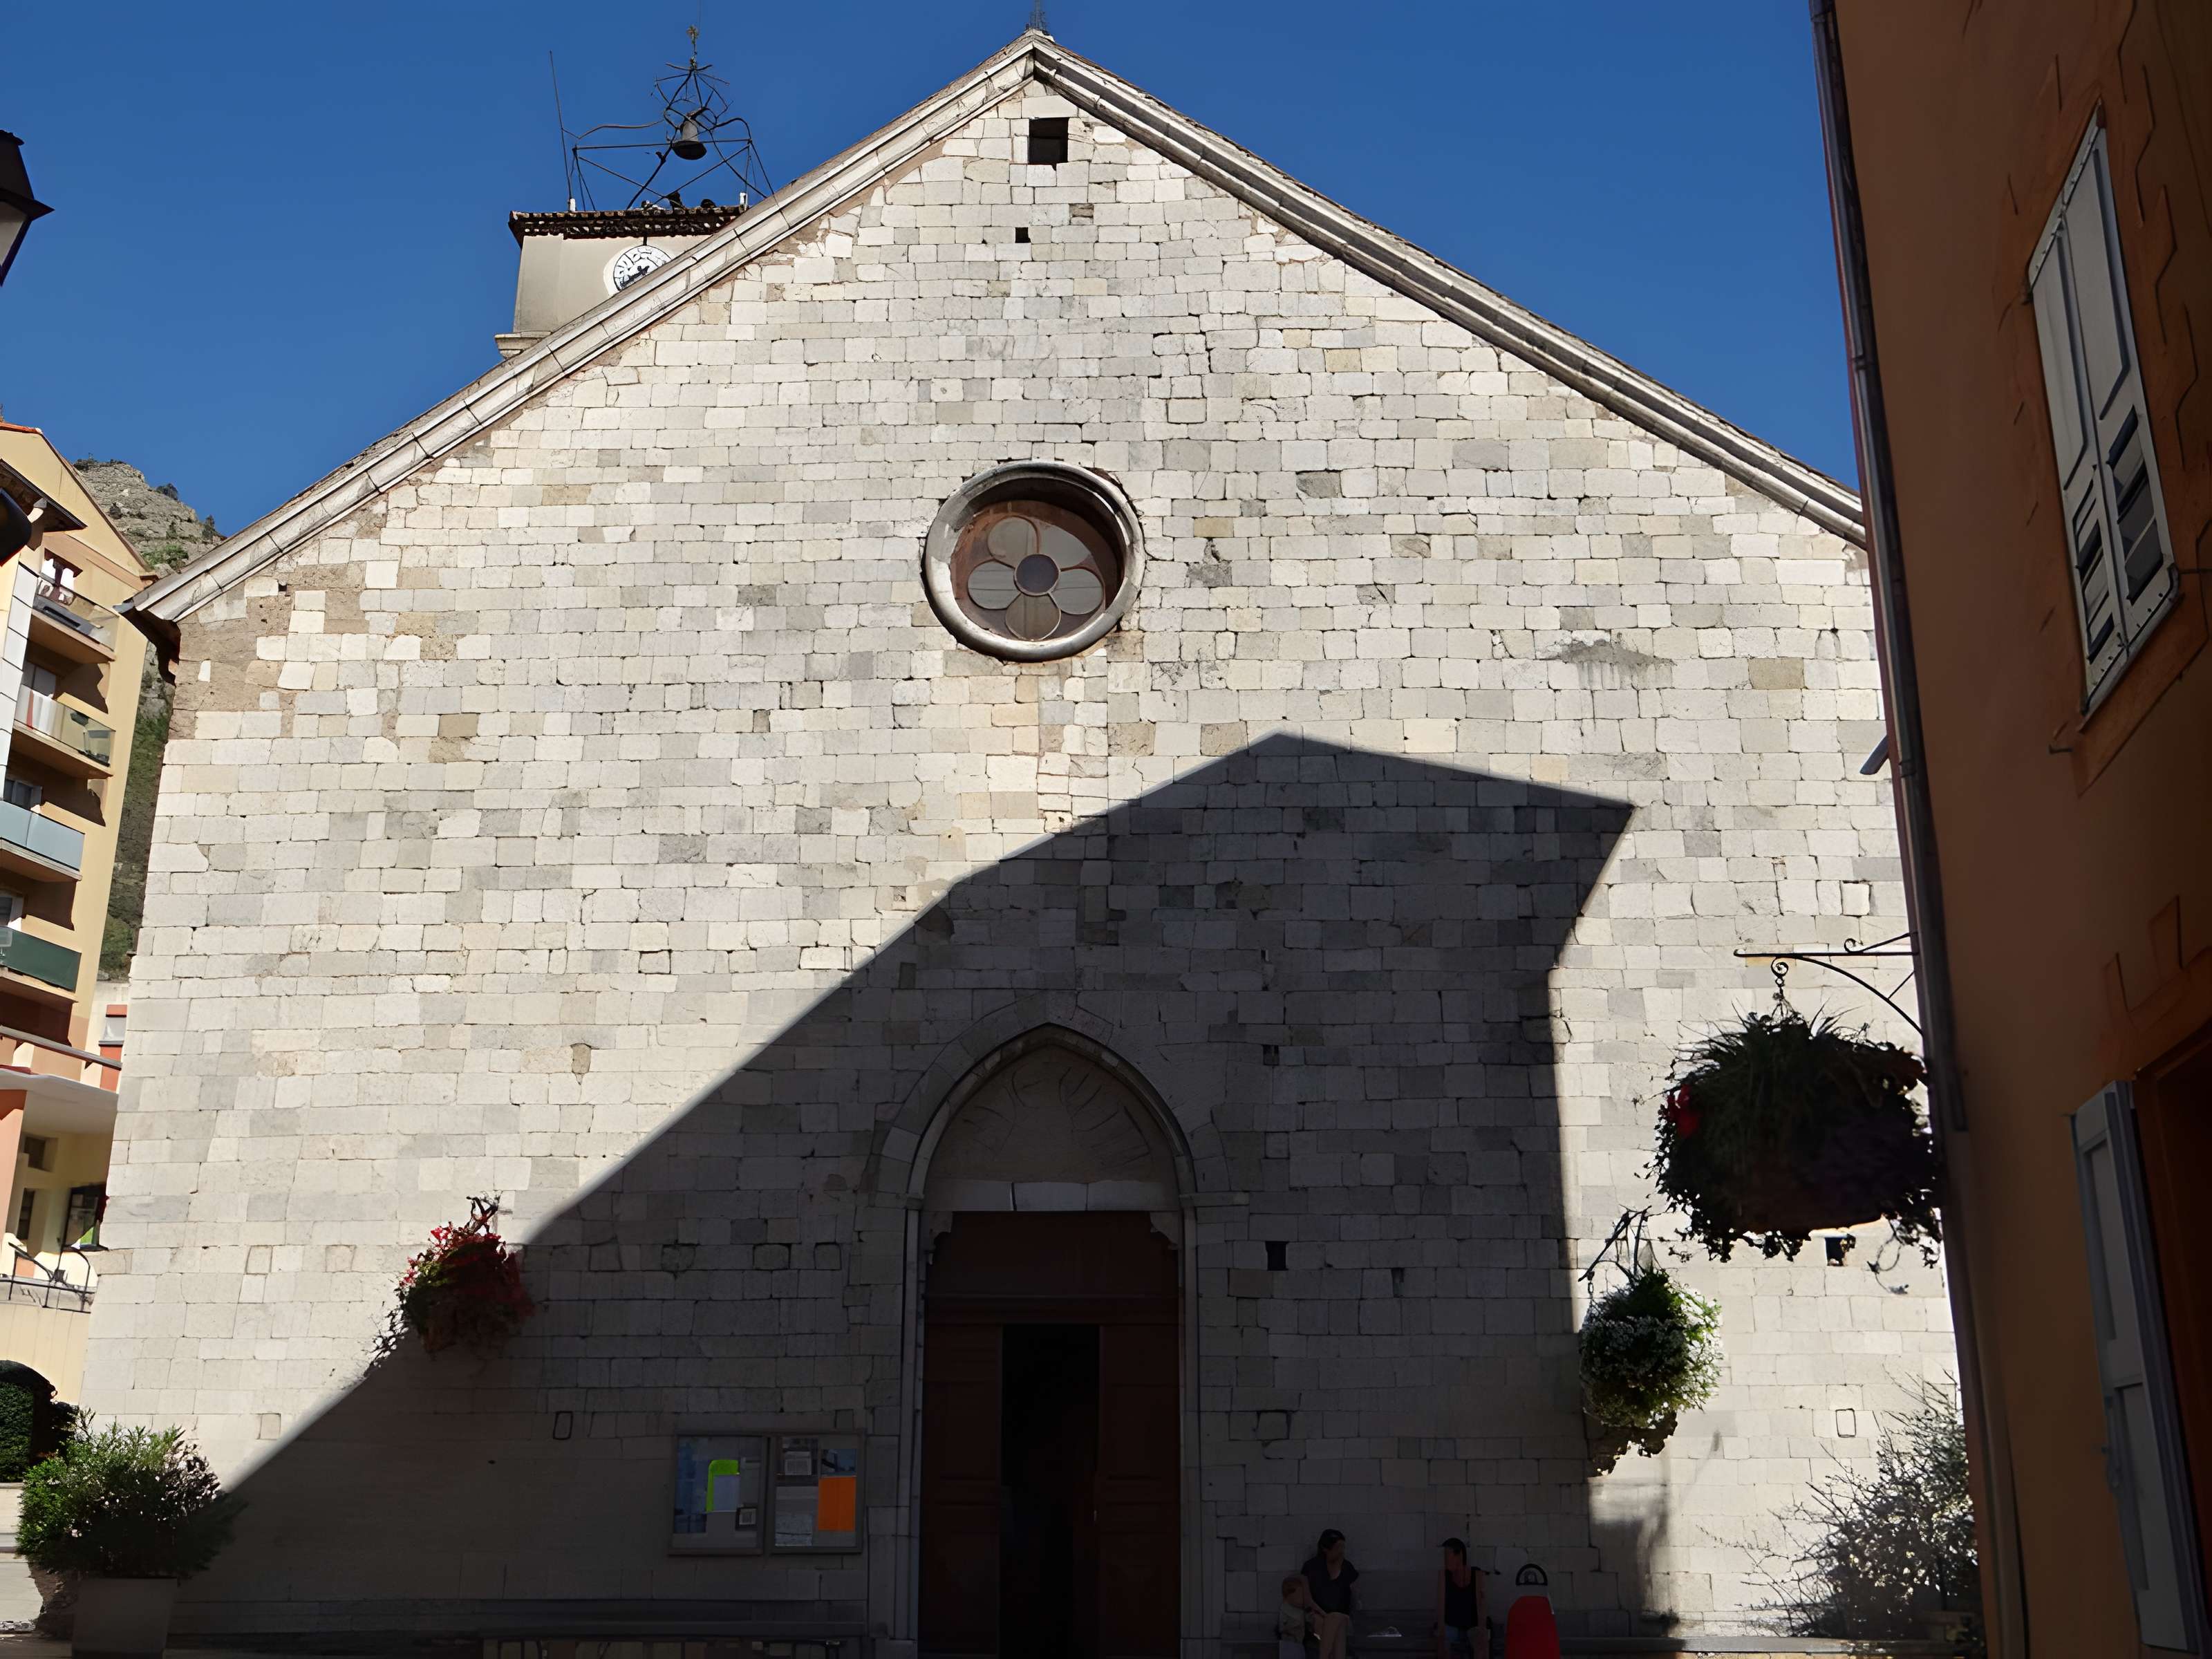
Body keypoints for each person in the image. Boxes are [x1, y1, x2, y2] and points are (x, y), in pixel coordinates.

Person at [1301, 1529, 1358, 1659]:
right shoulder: (1311, 1567)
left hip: (1341, 1617)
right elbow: (1308, 1600)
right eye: (1338, 1547)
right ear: (1325, 1548)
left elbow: (1354, 1595)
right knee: (1333, 1623)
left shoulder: (1347, 1567)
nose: (1342, 1551)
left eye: (1343, 1547)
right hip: (1316, 1614)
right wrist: (1325, 1615)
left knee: (1337, 1620)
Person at [1434, 1537, 1486, 1658]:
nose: (1445, 1559)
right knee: (1443, 1638)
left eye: (1448, 1555)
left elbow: (1482, 1606)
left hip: (1472, 1626)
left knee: (1480, 1638)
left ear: (1459, 1555)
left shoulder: (1476, 1575)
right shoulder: (1444, 1577)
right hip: (1452, 1626)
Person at [1277, 1573, 1320, 1659]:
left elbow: (1307, 1622)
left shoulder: (1301, 1610)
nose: (1302, 1599)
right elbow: (1281, 1628)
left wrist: (1310, 1619)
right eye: (1299, 1596)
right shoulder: (1285, 1610)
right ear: (1288, 1597)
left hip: (1300, 1642)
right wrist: (1291, 1630)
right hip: (1288, 1642)